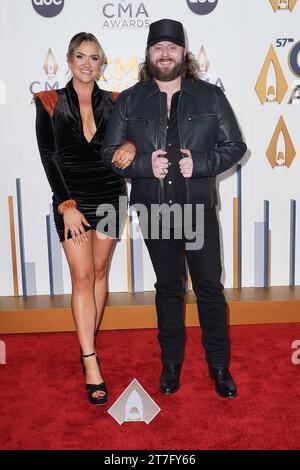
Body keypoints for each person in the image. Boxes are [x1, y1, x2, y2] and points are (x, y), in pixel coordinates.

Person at [102, 19, 247, 399]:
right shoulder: (131, 99)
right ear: (148, 55)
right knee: (168, 289)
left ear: (184, 53)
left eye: (172, 47)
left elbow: (235, 146)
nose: (165, 54)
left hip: (197, 210)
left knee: (209, 290)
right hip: (154, 211)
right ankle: (171, 365)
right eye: (157, 48)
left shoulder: (210, 96)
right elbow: (108, 153)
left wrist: (198, 164)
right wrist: (140, 166)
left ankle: (219, 367)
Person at [34, 32, 135, 405]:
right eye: (81, 56)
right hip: (72, 201)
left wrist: (130, 145)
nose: (87, 63)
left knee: (100, 271)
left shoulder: (115, 102)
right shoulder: (48, 103)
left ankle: (85, 340)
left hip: (109, 196)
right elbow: (49, 158)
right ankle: (90, 359)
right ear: (69, 59)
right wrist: (67, 204)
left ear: (101, 63)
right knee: (82, 276)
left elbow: (133, 139)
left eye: (94, 58)